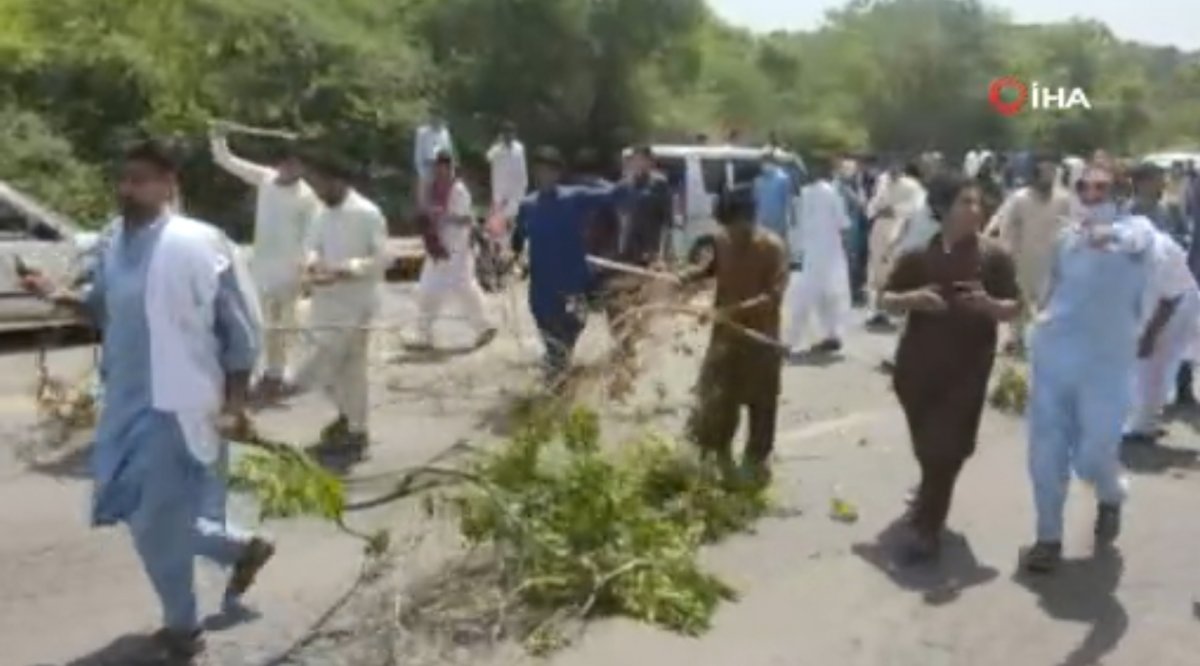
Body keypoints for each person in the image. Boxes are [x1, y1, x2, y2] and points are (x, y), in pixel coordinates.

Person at [21, 139, 271, 659]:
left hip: (180, 404)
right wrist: (53, 293)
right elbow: (101, 308)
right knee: (135, 508)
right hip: (125, 403)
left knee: (155, 519)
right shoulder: (113, 244)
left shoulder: (200, 243)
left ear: (168, 185)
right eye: (125, 179)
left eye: (140, 180)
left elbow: (240, 329)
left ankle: (184, 627)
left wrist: (236, 403)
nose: (128, 189)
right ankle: (237, 548)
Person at [1022, 162, 1157, 573]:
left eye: (1100, 187)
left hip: (1107, 363)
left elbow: (1133, 241)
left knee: (1094, 453)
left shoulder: (1139, 233)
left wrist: (1108, 234)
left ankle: (1111, 494)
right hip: (1055, 354)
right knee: (1045, 451)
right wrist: (1037, 320)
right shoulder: (1066, 239)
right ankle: (1048, 537)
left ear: (1118, 192)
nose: (1090, 194)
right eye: (1083, 186)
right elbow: (1052, 290)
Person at [881, 172, 1020, 561]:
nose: (976, 210)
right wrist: (914, 298)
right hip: (917, 369)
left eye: (978, 202)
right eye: (966, 202)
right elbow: (886, 299)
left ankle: (926, 530)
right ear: (942, 209)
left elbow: (1015, 306)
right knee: (931, 448)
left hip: (968, 369)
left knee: (947, 447)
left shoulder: (994, 256)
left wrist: (989, 306)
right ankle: (929, 493)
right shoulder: (917, 256)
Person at [283, 149, 387, 462]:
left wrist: (345, 269)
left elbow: (381, 259)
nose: (317, 190)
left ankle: (356, 430)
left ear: (338, 181)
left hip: (356, 306)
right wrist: (312, 265)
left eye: (321, 183)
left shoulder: (367, 213)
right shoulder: (321, 213)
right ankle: (348, 420)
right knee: (335, 373)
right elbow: (311, 247)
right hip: (325, 304)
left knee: (344, 369)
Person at [681, 184, 789, 481]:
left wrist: (735, 310)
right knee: (720, 396)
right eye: (727, 227)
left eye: (737, 226)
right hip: (725, 336)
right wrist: (688, 276)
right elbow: (710, 269)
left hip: (760, 337)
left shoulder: (772, 247)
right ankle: (718, 450)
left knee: (762, 401)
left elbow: (773, 296)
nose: (732, 233)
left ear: (751, 218)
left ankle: (757, 459)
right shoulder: (721, 240)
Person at [210, 124, 320, 399]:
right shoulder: (266, 179)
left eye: (296, 164)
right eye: (286, 163)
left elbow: (313, 236)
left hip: (289, 272)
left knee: (283, 327)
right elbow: (228, 161)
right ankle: (251, 373)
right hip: (262, 269)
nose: (288, 168)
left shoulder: (307, 198)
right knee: (256, 323)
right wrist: (218, 138)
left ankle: (277, 373)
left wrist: (307, 266)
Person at [511, 147, 631, 383]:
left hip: (573, 284)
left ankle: (558, 370)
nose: (544, 176)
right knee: (549, 333)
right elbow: (518, 238)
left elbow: (616, 196)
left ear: (558, 174)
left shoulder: (574, 198)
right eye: (540, 171)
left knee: (572, 326)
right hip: (541, 288)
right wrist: (513, 257)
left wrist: (629, 175)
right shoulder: (528, 205)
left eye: (550, 171)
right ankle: (557, 373)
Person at [984, 153, 1071, 352]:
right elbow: (1007, 226)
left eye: (1052, 172)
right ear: (1035, 174)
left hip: (1051, 259)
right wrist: (1006, 252)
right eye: (1045, 172)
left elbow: (1070, 227)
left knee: (1048, 302)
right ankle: (1015, 339)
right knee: (1020, 300)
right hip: (1023, 257)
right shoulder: (1020, 198)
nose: (1049, 177)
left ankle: (1042, 342)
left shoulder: (1063, 199)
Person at [412, 151, 497, 351]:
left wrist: (444, 217)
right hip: (437, 245)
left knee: (464, 287)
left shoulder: (459, 190)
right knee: (427, 289)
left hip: (457, 247)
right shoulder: (432, 188)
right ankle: (423, 334)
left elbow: (467, 220)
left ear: (451, 168)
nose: (441, 170)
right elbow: (425, 213)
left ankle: (484, 327)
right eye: (438, 166)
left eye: (445, 166)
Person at [1125, 226, 1200, 442]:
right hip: (1174, 303)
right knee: (1150, 365)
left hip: (1180, 307)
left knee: (1151, 364)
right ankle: (1144, 421)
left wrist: (1149, 335)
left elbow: (1170, 299)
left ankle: (1143, 425)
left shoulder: (1153, 256)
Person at [784, 157, 853, 354]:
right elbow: (843, 223)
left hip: (815, 254)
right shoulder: (828, 193)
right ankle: (832, 335)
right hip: (828, 253)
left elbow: (800, 224)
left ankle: (793, 340)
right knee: (830, 297)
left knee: (805, 297)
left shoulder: (812, 193)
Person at [866, 161, 926, 327]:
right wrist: (875, 211)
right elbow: (874, 203)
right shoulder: (883, 182)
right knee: (876, 269)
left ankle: (894, 309)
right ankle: (877, 310)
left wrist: (895, 210)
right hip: (880, 227)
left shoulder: (912, 186)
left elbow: (917, 206)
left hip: (897, 226)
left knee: (894, 267)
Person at [486, 121, 528, 226]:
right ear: (503, 134)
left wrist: (524, 184)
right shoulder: (496, 149)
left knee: (513, 221)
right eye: (506, 133)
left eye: (511, 133)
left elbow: (522, 167)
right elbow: (488, 157)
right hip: (500, 192)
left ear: (514, 134)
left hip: (516, 191)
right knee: (500, 223)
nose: (509, 136)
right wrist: (497, 142)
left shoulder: (519, 148)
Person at [753, 150, 796, 250]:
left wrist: (792, 219)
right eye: (762, 162)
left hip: (779, 225)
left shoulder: (783, 179)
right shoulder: (758, 181)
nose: (764, 165)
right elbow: (756, 203)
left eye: (766, 161)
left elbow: (789, 201)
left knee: (778, 252)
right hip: (763, 225)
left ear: (773, 162)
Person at [413, 113, 454, 206]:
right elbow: (418, 154)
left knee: (442, 197)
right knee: (424, 199)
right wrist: (422, 172)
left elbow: (449, 152)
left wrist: (449, 170)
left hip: (442, 168)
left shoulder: (445, 132)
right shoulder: (422, 132)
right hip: (426, 167)